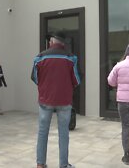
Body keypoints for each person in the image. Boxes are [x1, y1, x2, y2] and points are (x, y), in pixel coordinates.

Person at [31, 31, 80, 168]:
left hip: (45, 100)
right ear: (63, 43)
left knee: (42, 131)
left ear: (51, 42)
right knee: (63, 133)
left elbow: (35, 78)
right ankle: (63, 165)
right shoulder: (71, 58)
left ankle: (40, 164)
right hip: (64, 101)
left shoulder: (39, 57)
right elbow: (77, 80)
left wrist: (46, 86)